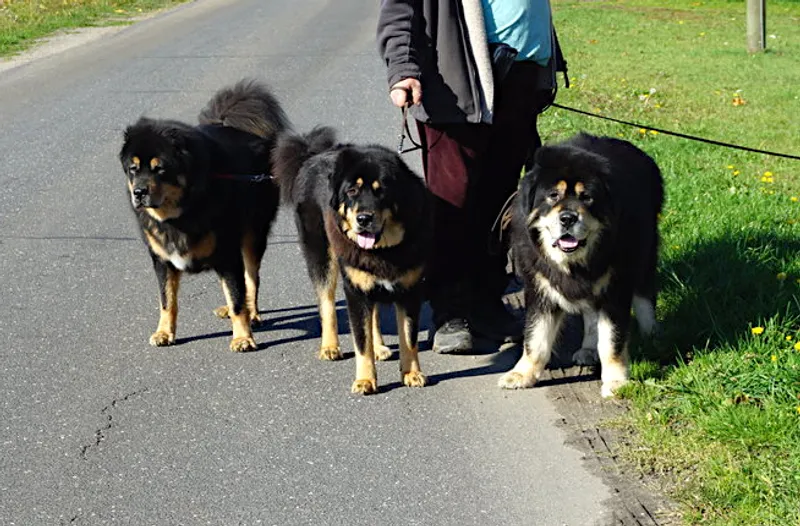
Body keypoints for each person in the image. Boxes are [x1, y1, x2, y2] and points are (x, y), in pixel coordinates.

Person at [378, 0, 568, 353]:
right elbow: (399, 9)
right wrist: (403, 67)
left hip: (521, 78)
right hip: (456, 82)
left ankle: (487, 302)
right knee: (452, 201)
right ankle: (450, 312)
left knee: (500, 203)